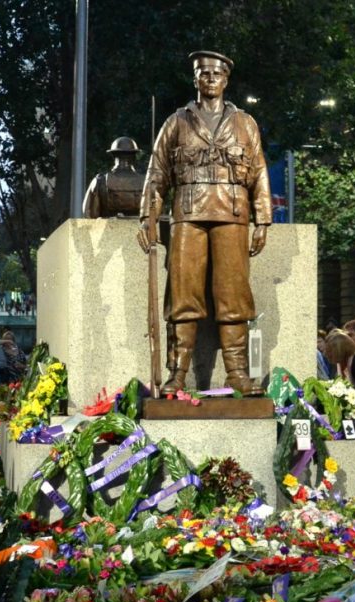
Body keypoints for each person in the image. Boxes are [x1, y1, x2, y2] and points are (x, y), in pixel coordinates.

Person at [139, 50, 271, 395]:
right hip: (188, 214)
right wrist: (147, 216)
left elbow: (259, 172)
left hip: (233, 214)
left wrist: (264, 221)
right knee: (183, 295)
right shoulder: (177, 122)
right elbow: (157, 173)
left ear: (226, 79)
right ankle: (177, 374)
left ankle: (238, 374)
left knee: (234, 296)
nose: (210, 78)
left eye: (216, 73)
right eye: (204, 73)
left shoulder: (245, 123)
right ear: (195, 78)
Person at [81, 137, 145, 218]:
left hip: (106, 229)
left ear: (113, 155)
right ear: (135, 155)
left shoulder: (100, 181)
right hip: (139, 230)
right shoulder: (146, 182)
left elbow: (88, 214)